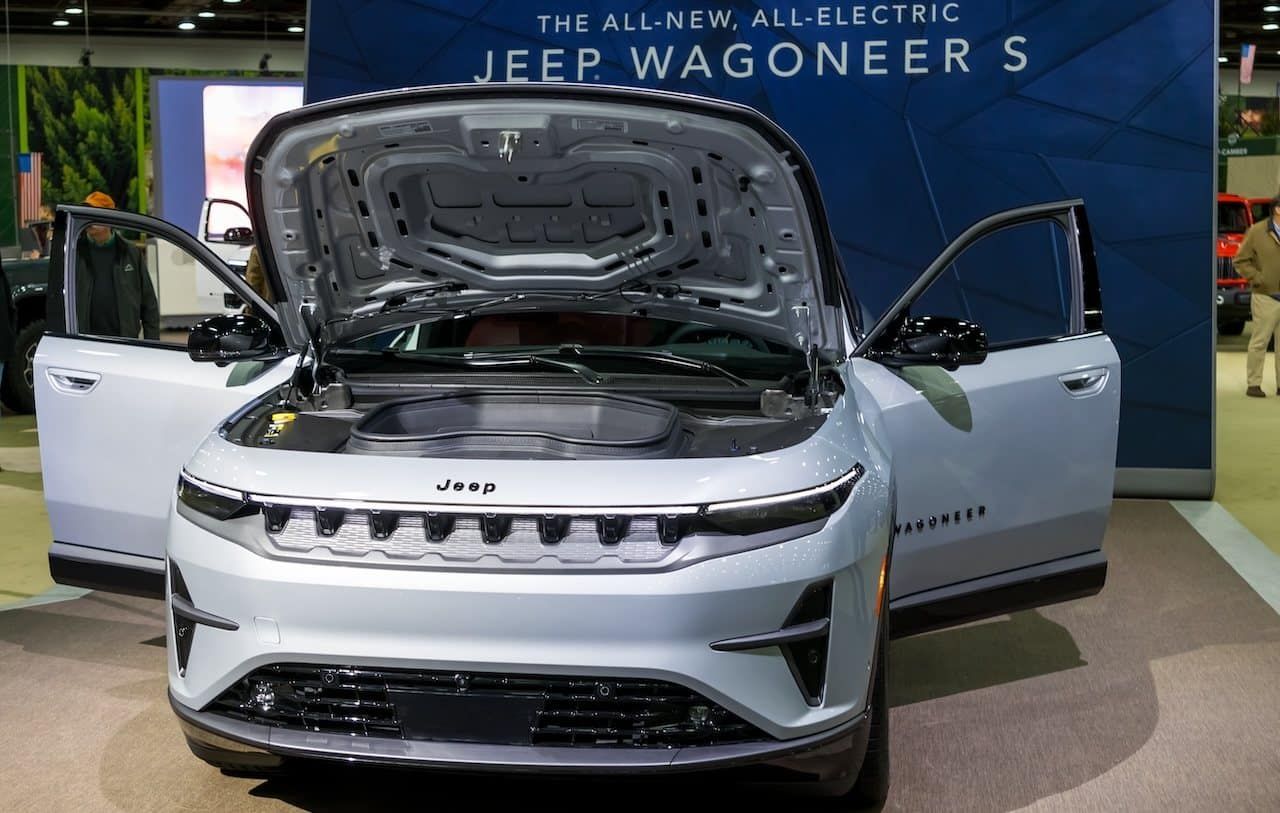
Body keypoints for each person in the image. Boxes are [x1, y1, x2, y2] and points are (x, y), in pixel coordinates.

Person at [76, 191, 159, 341]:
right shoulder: (75, 254)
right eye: (87, 213)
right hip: (85, 344)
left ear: (110, 217)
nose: (89, 218)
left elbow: (149, 305)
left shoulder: (130, 252)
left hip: (124, 344)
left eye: (95, 212)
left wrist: (153, 345)